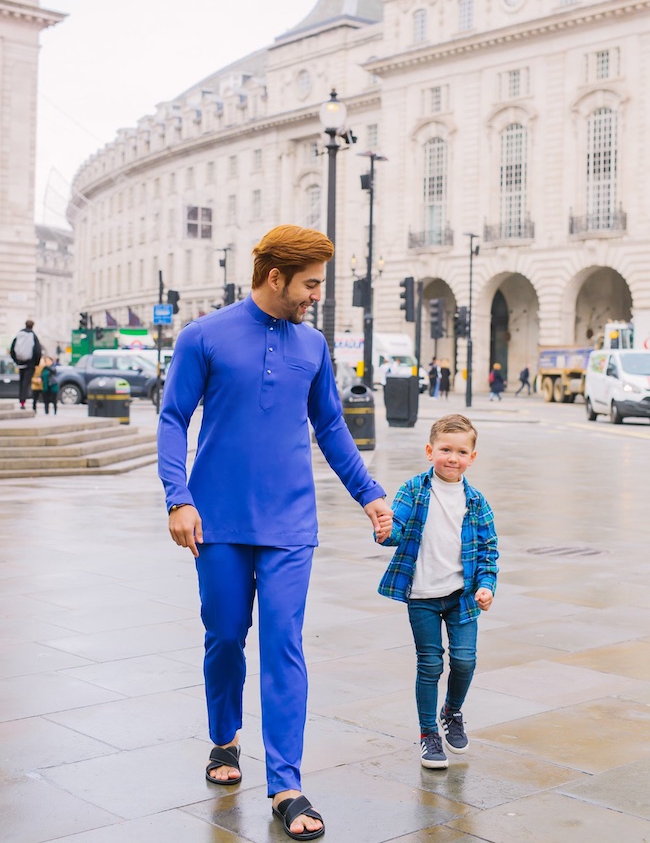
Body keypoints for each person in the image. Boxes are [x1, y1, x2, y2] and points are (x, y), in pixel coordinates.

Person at [157, 225, 392, 841]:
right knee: (226, 635)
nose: (316, 295)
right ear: (274, 277)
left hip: (291, 523)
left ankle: (286, 784)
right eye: (310, 284)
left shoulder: (313, 345)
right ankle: (224, 739)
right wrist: (178, 499)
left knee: (284, 644)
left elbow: (332, 426)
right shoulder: (202, 336)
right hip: (218, 521)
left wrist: (369, 494)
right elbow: (173, 417)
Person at [376, 414, 498, 769]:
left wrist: (487, 585)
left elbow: (489, 549)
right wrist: (386, 530)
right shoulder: (414, 489)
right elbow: (395, 526)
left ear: (471, 458)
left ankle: (452, 711)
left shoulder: (476, 501)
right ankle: (428, 733)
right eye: (445, 449)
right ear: (430, 451)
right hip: (422, 596)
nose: (452, 458)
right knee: (429, 664)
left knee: (464, 660)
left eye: (461, 452)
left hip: (463, 595)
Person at [10, 319, 42, 410]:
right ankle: (23, 401)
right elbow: (37, 351)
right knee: (26, 383)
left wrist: (16, 360)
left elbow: (12, 349)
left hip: (20, 363)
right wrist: (36, 363)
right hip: (30, 364)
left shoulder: (19, 335)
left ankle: (21, 401)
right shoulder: (33, 336)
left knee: (21, 381)